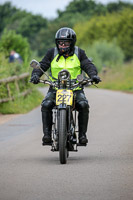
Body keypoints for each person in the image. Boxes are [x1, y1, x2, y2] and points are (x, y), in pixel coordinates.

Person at [31, 27, 101, 145]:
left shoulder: (80, 53)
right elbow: (42, 65)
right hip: (55, 88)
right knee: (46, 104)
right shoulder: (51, 53)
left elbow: (88, 65)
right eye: (60, 43)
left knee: (83, 105)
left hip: (75, 88)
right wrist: (35, 75)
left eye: (66, 43)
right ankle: (47, 135)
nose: (62, 45)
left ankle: (82, 135)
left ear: (72, 42)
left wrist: (93, 75)